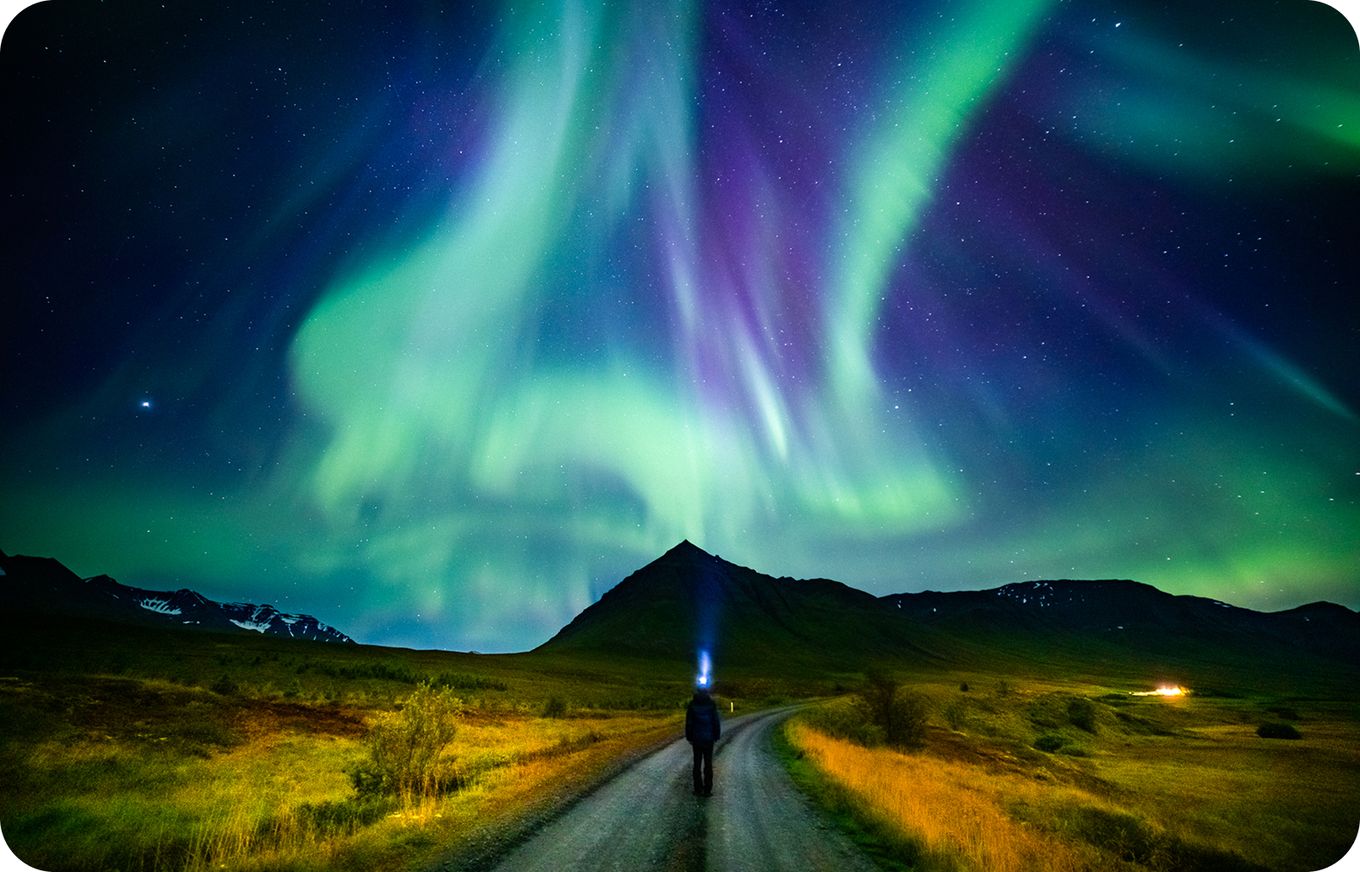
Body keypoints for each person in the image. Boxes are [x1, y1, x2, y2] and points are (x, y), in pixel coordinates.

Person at [685, 686, 721, 796]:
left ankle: (697, 789)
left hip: (696, 738)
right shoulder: (711, 704)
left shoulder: (692, 704)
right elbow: (715, 720)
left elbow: (689, 723)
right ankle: (707, 790)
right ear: (707, 692)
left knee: (697, 764)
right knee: (708, 764)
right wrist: (716, 735)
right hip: (709, 739)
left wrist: (689, 737)